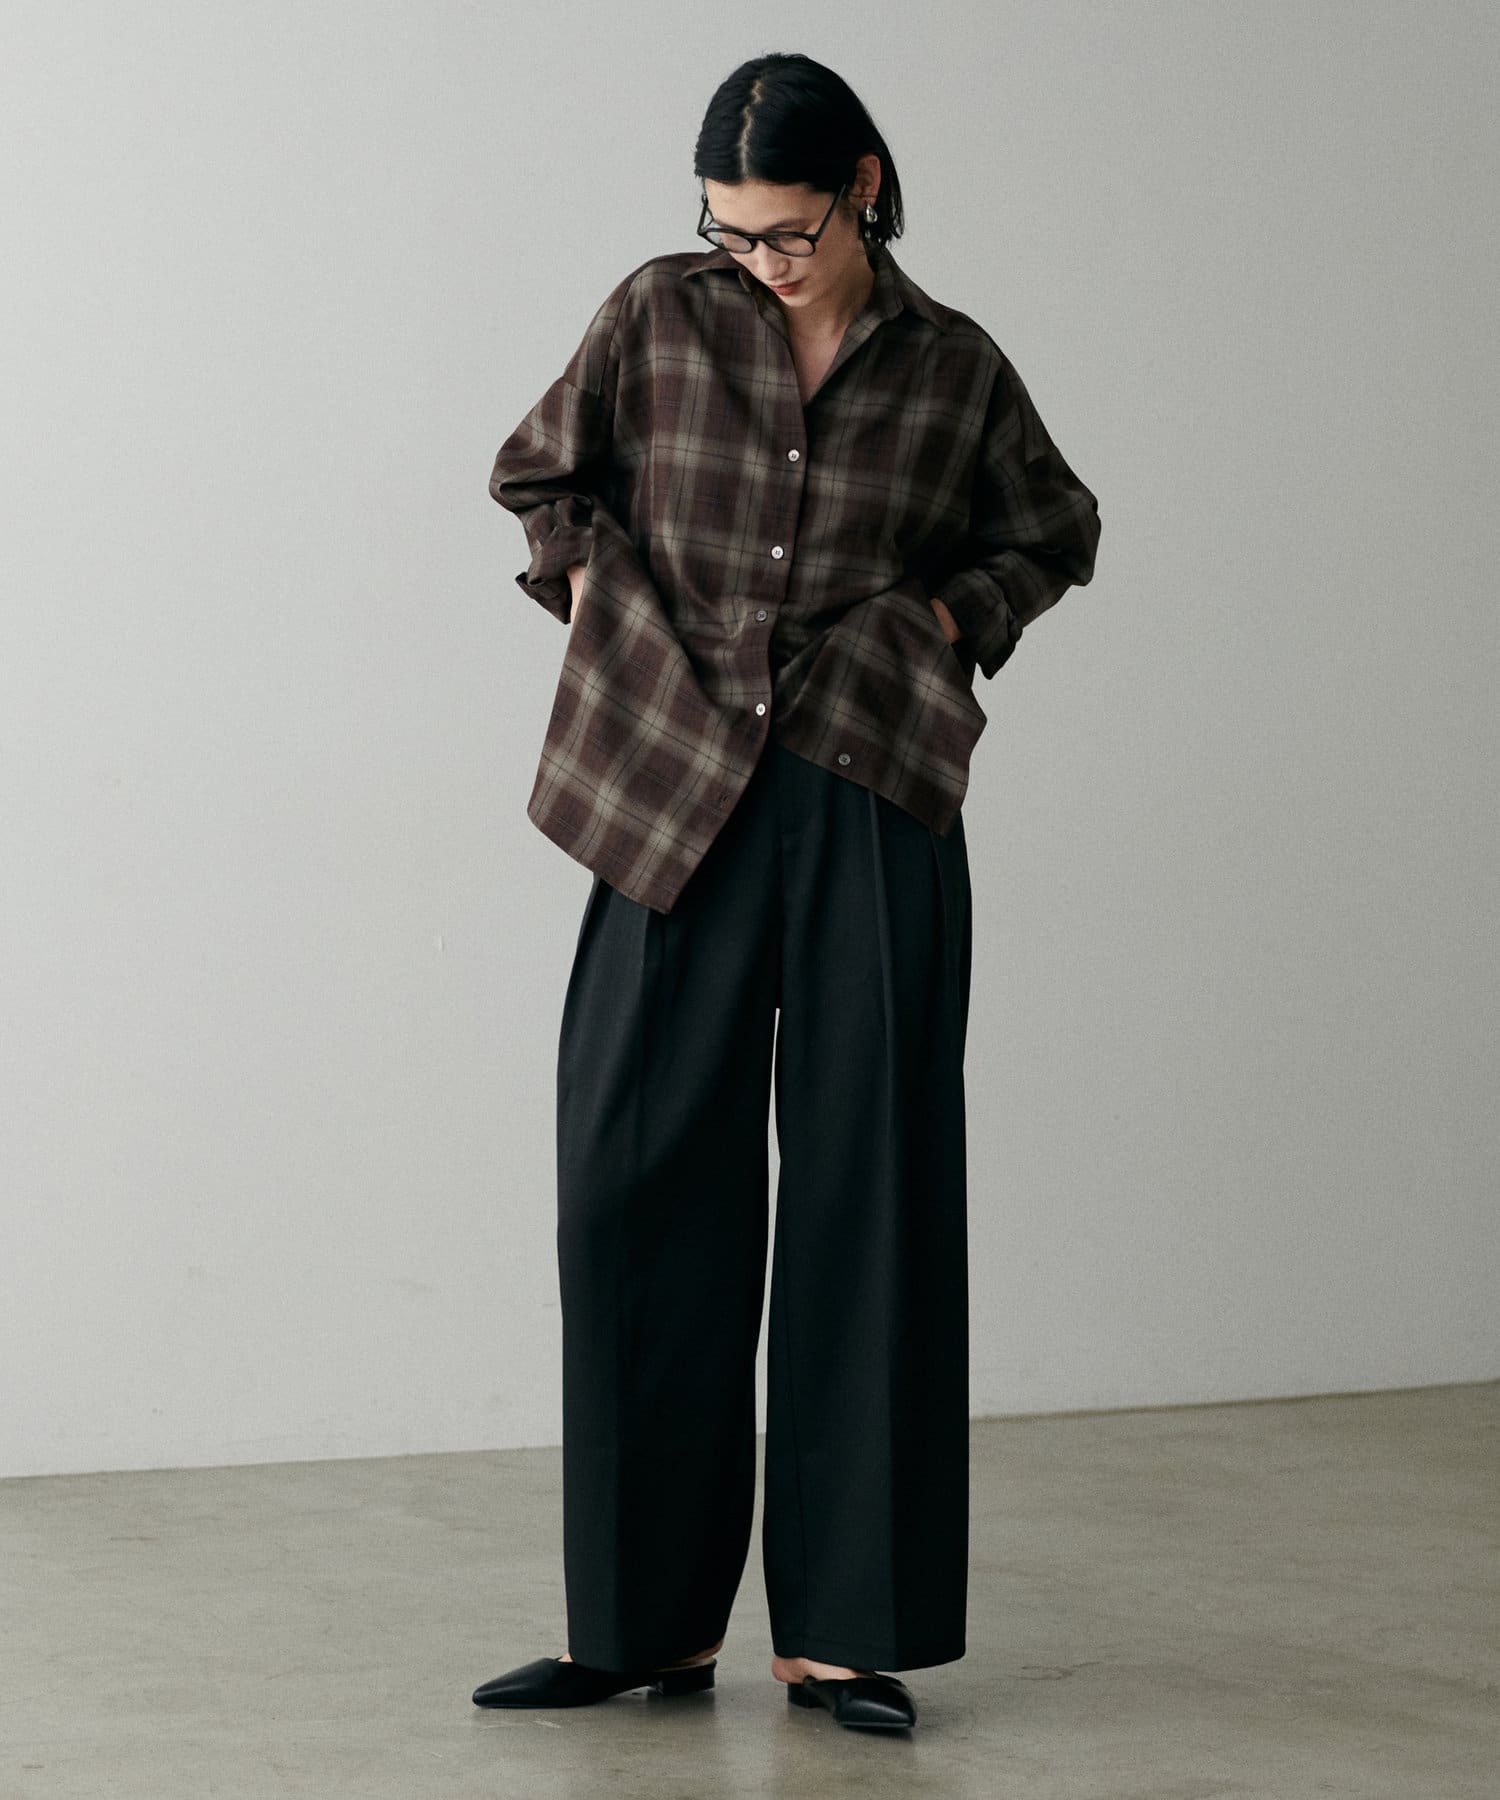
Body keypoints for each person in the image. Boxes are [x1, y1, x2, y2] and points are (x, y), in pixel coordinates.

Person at [471, 52, 1101, 1734]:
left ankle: (844, 1631)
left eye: (788, 233)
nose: (760, 261)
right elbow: (541, 476)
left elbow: (1052, 529)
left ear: (864, 189)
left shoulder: (955, 368)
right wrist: (600, 599)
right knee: (632, 1187)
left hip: (866, 790)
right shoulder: (656, 317)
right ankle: (642, 1626)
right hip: (666, 789)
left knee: (865, 1197)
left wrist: (946, 626)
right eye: (730, 232)